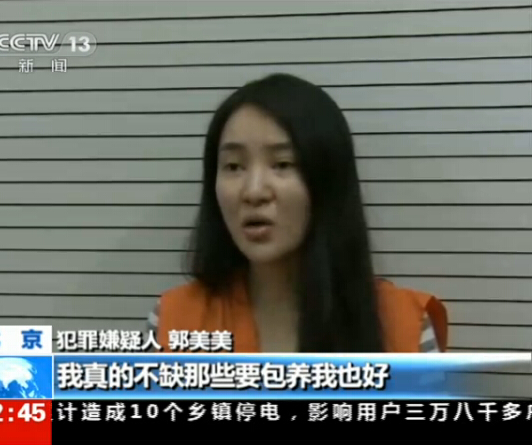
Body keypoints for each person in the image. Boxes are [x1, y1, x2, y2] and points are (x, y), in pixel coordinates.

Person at [146, 73, 448, 353]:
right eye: (234, 166)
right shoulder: (171, 321)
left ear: (327, 179)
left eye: (282, 164)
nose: (253, 192)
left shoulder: (406, 326)